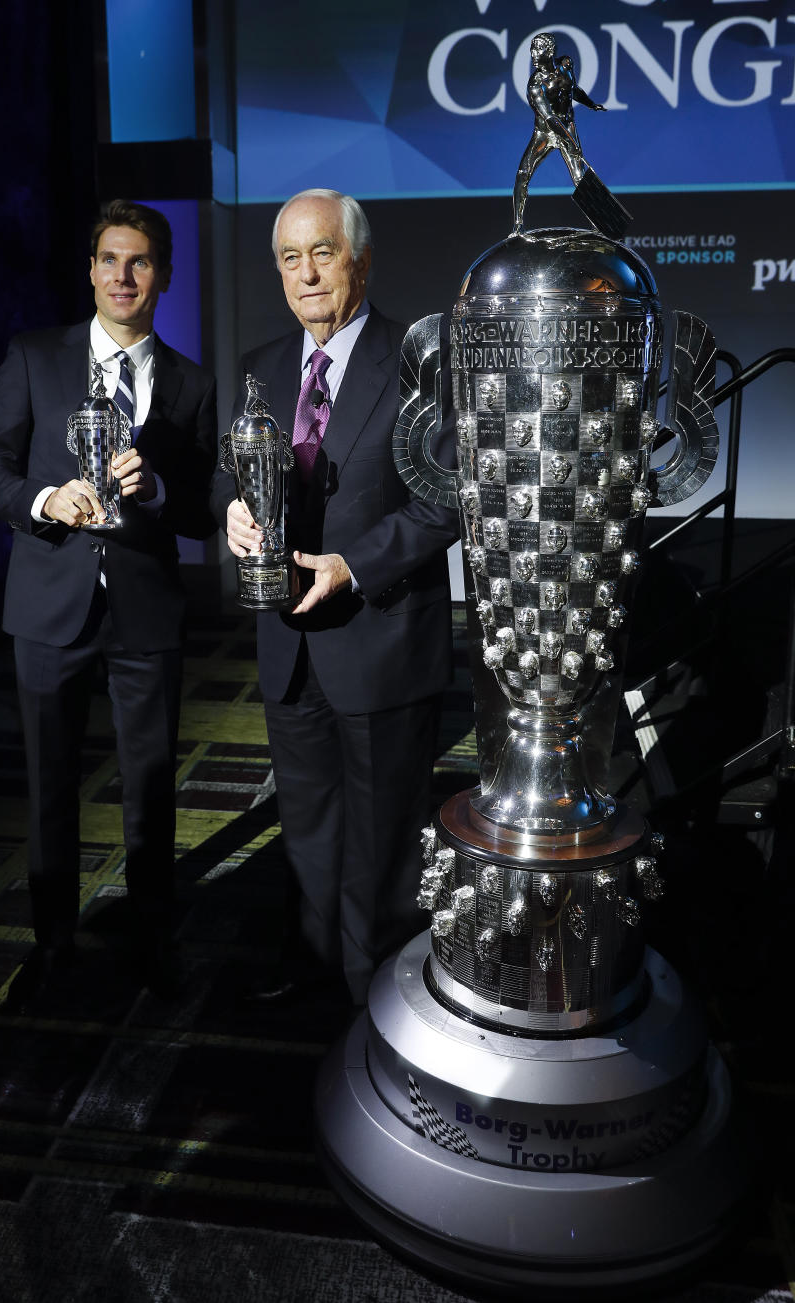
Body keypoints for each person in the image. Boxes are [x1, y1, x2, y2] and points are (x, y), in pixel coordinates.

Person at [0, 199, 217, 1010]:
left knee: (150, 787)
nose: (122, 276)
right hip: (47, 605)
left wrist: (166, 486)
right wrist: (43, 500)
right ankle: (52, 945)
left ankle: (151, 942)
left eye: (139, 262)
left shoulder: (190, 382)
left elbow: (203, 507)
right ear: (90, 269)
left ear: (164, 277)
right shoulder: (36, 358)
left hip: (144, 609)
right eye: (109, 259)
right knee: (51, 786)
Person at [211, 188, 457, 1007]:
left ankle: (379, 997)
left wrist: (352, 563)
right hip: (289, 646)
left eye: (323, 252)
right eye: (289, 257)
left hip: (381, 638)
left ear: (361, 258)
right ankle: (316, 981)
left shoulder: (422, 361)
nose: (306, 273)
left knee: (386, 845)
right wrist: (234, 515)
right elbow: (226, 476)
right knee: (309, 829)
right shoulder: (261, 365)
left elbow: (447, 501)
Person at [512, 33, 606, 233]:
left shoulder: (566, 64)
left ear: (550, 51)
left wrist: (591, 104)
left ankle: (600, 223)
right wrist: (571, 142)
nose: (533, 54)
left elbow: (573, 89)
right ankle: (518, 226)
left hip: (567, 124)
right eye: (532, 48)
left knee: (579, 175)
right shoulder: (535, 85)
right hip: (545, 133)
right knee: (523, 174)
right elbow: (550, 119)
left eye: (538, 48)